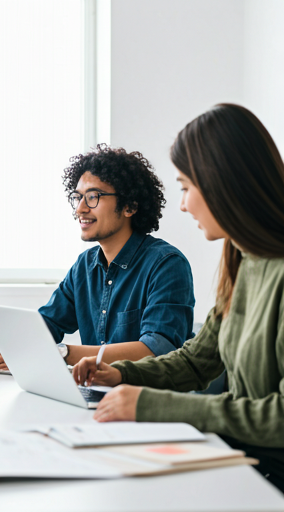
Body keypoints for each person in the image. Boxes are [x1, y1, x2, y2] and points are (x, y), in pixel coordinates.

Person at [73, 104, 284, 492]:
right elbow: (196, 361)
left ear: (225, 183)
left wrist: (149, 405)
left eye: (187, 187)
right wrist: (121, 374)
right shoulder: (240, 259)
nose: (183, 204)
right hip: (238, 457)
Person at [0, 145, 195, 371]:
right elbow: (49, 322)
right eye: (77, 197)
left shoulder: (166, 264)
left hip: (144, 398)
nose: (80, 209)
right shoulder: (84, 265)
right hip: (95, 391)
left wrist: (62, 353)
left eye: (93, 197)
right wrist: (8, 340)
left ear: (129, 206)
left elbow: (157, 350)